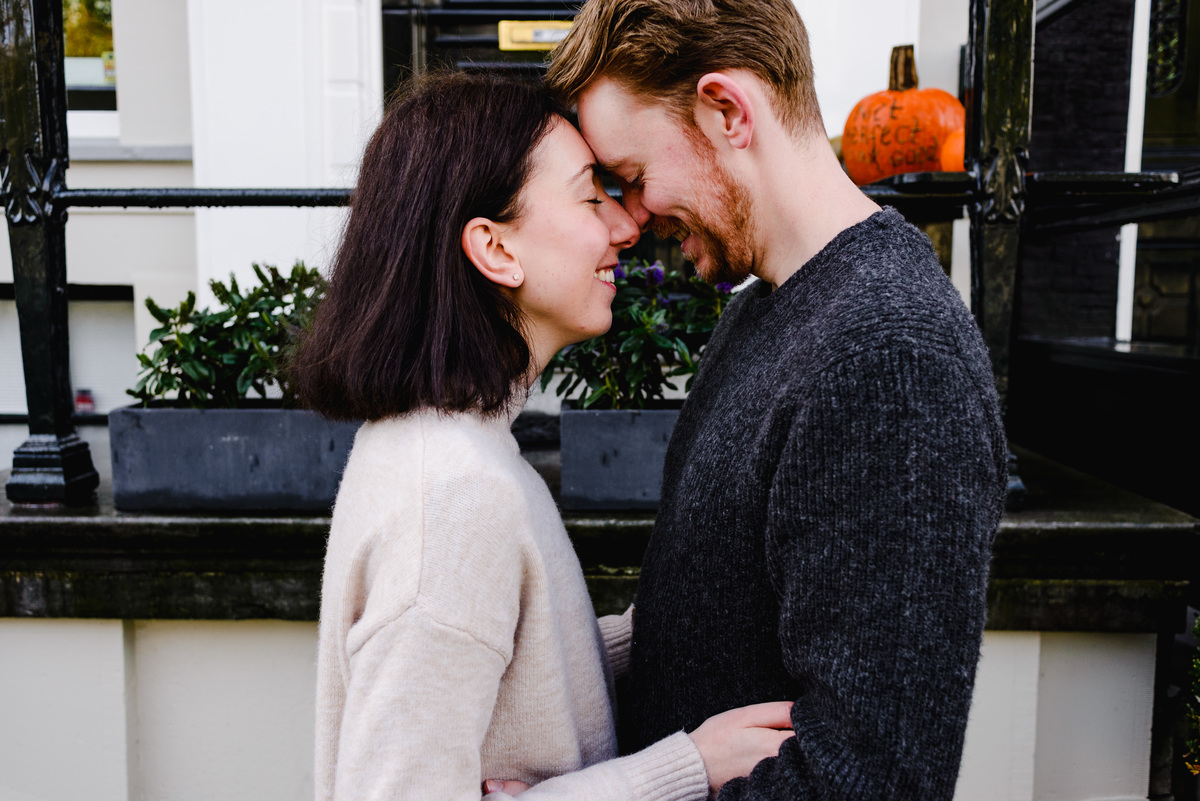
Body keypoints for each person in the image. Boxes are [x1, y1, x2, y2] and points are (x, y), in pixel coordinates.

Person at [545, 1, 1008, 798]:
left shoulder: (891, 359)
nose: (629, 220)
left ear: (727, 110)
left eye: (634, 178)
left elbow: (862, 783)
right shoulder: (759, 309)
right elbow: (695, 638)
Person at [292, 72, 794, 801]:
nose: (627, 227)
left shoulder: (457, 446)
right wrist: (682, 769)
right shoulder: (452, 496)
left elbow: (521, 670)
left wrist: (690, 620)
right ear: (496, 250)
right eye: (591, 195)